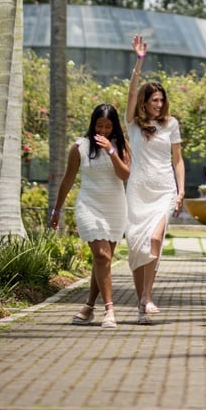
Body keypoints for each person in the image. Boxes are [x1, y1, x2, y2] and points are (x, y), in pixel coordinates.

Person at [50, 103, 131, 329]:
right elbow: (67, 180)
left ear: (114, 127)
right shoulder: (80, 147)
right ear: (93, 124)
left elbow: (125, 175)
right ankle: (109, 309)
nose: (103, 130)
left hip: (115, 206)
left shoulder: (120, 146)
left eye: (107, 126)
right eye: (99, 125)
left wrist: (111, 151)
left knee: (102, 261)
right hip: (89, 205)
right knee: (102, 257)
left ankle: (88, 307)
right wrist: (57, 210)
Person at [125, 34, 185, 324]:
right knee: (137, 248)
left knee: (153, 239)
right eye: (154, 100)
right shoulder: (133, 125)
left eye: (162, 100)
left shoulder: (171, 125)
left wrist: (181, 191)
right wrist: (139, 62)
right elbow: (130, 93)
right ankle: (141, 302)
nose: (159, 105)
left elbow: (178, 160)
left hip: (163, 189)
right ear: (145, 103)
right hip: (137, 190)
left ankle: (147, 296)